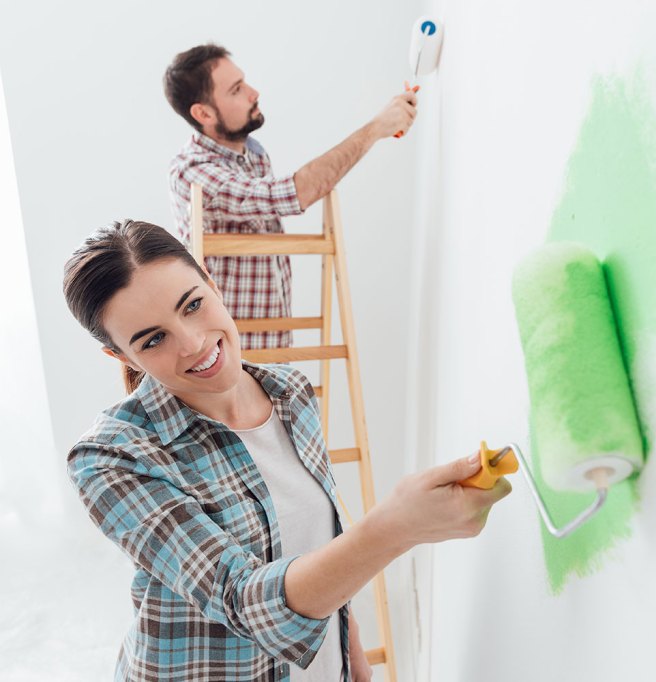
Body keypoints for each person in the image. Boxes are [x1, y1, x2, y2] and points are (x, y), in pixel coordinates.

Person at [62, 220, 510, 681]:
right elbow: (241, 600)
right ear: (121, 357)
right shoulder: (110, 458)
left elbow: (320, 542)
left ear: (212, 284)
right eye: (153, 339)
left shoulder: (290, 392)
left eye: (193, 305)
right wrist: (395, 528)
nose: (193, 343)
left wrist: (353, 657)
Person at [164, 44, 418, 350]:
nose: (253, 92)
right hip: (226, 354)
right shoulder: (191, 171)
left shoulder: (254, 155)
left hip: (275, 341)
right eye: (236, 89)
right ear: (203, 113)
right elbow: (289, 194)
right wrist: (376, 128)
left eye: (244, 82)